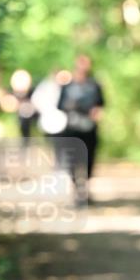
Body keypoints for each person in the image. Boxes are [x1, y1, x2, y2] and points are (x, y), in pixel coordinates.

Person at [57, 55, 105, 205]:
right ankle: (77, 188)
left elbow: (101, 104)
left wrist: (96, 112)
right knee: (72, 160)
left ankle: (85, 189)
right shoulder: (67, 86)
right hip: (72, 128)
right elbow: (60, 105)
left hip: (89, 128)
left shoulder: (94, 85)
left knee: (89, 159)